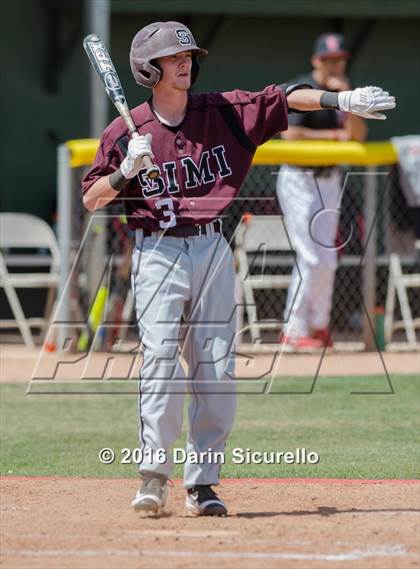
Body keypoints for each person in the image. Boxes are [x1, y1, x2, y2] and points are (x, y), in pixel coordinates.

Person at [82, 22, 395, 515]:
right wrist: (124, 172)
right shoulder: (126, 132)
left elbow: (286, 97)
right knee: (161, 366)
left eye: (188, 54)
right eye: (172, 57)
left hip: (211, 250)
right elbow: (91, 198)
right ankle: (153, 477)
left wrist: (343, 101)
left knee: (216, 374)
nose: (184, 62)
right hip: (157, 253)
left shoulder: (222, 112)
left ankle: (202, 484)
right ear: (149, 68)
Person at [276, 33, 368, 351]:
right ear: (316, 60)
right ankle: (293, 328)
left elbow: (357, 136)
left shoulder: (345, 92)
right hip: (299, 179)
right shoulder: (303, 89)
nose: (334, 64)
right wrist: (334, 136)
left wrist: (349, 100)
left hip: (329, 179)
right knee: (311, 255)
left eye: (339, 59)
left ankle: (318, 325)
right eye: (328, 59)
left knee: (328, 258)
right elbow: (290, 134)